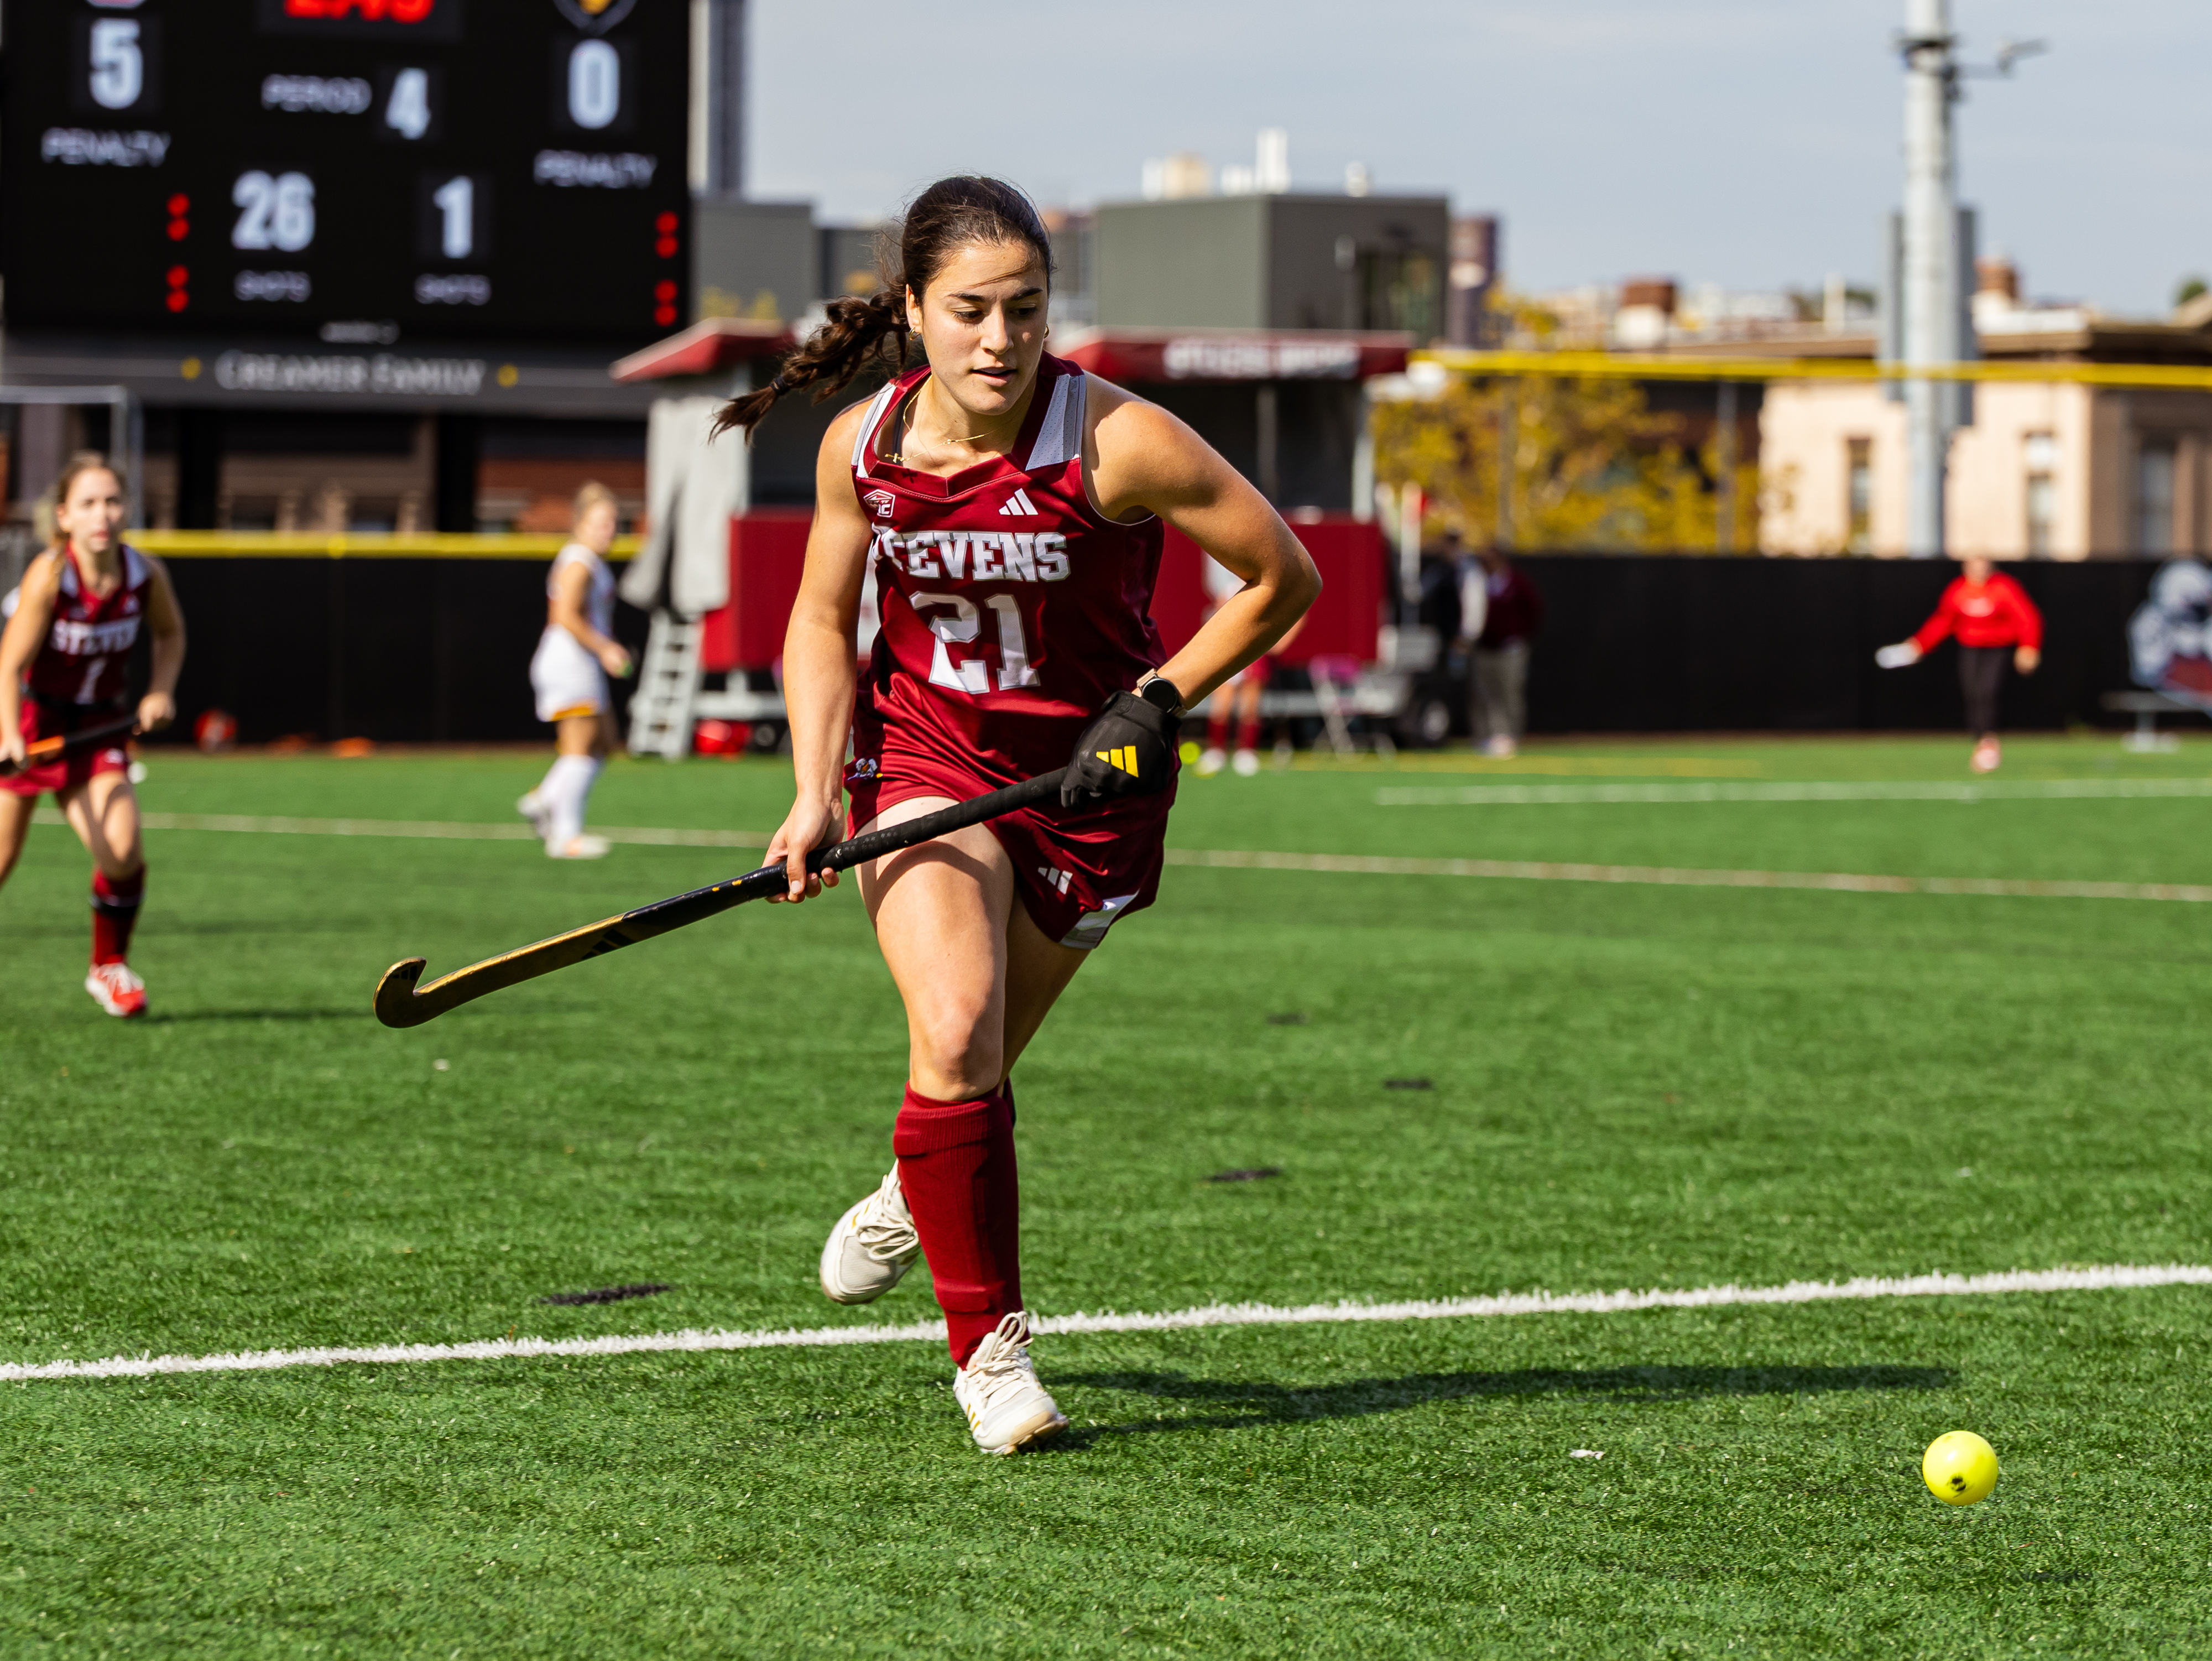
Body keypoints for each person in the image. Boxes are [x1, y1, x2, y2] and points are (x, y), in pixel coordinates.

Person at [721, 176, 1318, 1456]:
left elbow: (1283, 576)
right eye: (971, 311)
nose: (1001, 339)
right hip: (927, 759)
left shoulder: (1120, 442)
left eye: (1027, 309)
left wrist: (1156, 700)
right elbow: (819, 618)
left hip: (1091, 789)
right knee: (954, 1028)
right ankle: (990, 1358)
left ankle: (917, 1180)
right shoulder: (864, 450)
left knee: (975, 1064)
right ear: (914, 310)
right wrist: (812, 791)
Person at [0, 454, 185, 1017]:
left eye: (112, 501)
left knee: (123, 851)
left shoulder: (144, 574)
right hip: (35, 728)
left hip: (99, 730)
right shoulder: (50, 576)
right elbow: (10, 665)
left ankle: (109, 966)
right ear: (64, 516)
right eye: (87, 503)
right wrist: (9, 735)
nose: (102, 514)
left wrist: (159, 691)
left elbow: (171, 634)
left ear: (126, 509)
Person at [519, 482, 632, 858]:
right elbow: (564, 615)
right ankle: (565, 836)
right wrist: (606, 648)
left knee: (603, 740)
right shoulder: (579, 561)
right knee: (579, 748)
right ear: (580, 523)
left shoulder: (590, 560)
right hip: (570, 662)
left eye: (613, 523)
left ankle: (544, 799)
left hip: (581, 662)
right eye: (600, 523)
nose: (609, 531)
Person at [1877, 554, 2041, 773]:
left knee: (1988, 691)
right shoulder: (1959, 590)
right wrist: (1918, 646)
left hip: (1997, 649)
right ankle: (1981, 740)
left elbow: (2026, 616)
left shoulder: (2004, 588)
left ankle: (1989, 742)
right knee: (1972, 693)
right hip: (1970, 648)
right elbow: (1943, 622)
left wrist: (2029, 646)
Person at [1458, 541, 1542, 758]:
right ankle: (1483, 738)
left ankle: (1510, 737)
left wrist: (1517, 635)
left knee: (1509, 693)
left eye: (1491, 561)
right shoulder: (1476, 583)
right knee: (1482, 694)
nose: (1487, 565)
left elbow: (1533, 610)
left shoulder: (1516, 582)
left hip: (1509, 649)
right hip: (1483, 648)